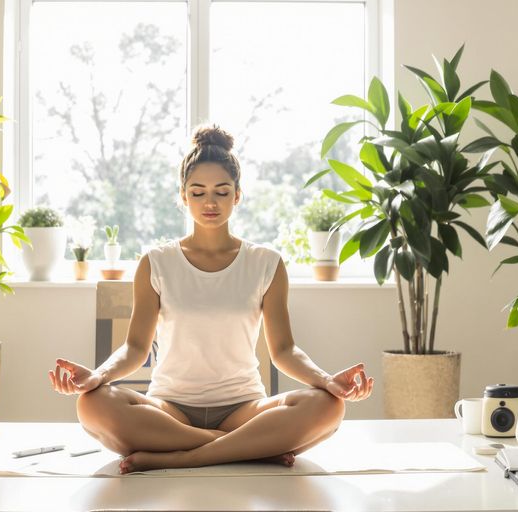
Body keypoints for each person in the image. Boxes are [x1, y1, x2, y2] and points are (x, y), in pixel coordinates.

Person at [48, 124, 373, 474]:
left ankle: (186, 456)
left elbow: (284, 351)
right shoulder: (156, 262)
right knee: (93, 405)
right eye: (198, 192)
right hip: (170, 410)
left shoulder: (266, 263)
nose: (210, 202)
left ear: (237, 195)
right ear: (183, 196)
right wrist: (98, 376)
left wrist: (326, 381)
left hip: (244, 410)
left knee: (328, 407)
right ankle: (248, 449)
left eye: (222, 191)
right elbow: (135, 348)